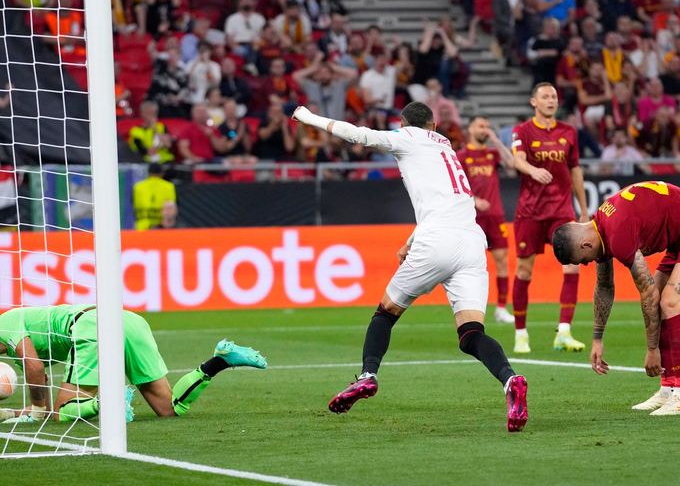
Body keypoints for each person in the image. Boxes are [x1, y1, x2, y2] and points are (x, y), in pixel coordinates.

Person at [291, 101, 528, 432]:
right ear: (434, 126)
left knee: (385, 313)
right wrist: (410, 242)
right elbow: (443, 204)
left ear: (404, 125)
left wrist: (309, 117)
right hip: (472, 243)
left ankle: (368, 375)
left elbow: (358, 135)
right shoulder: (445, 148)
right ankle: (510, 380)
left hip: (437, 241)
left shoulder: (407, 137)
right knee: (471, 333)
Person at [551, 182, 680, 415]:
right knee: (662, 301)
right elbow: (604, 285)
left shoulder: (618, 233)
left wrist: (652, 349)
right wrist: (597, 339)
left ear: (585, 245)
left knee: (670, 302)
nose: (587, 263)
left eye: (582, 260)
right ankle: (669, 389)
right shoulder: (599, 228)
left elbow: (648, 292)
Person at [0, 304, 266, 423]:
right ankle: (219, 361)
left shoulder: (5, 323)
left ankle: (109, 403)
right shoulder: (17, 344)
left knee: (63, 412)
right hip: (130, 320)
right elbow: (40, 382)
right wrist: (14, 413)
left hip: (91, 327)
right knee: (169, 408)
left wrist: (39, 411)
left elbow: (36, 372)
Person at [510, 83, 589, 355]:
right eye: (545, 96)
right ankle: (521, 334)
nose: (551, 100)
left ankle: (564, 333)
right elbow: (517, 160)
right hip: (530, 211)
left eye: (554, 96)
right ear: (534, 101)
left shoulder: (568, 132)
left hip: (561, 210)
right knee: (524, 271)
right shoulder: (522, 130)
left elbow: (575, 170)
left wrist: (583, 209)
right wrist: (533, 170)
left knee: (572, 266)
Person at [457, 116, 516, 324]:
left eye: (487, 127)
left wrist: (496, 140)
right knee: (470, 264)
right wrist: (474, 200)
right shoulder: (462, 156)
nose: (485, 130)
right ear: (471, 129)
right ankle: (468, 307)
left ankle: (501, 308)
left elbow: (512, 163)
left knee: (502, 261)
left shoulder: (492, 153)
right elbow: (456, 185)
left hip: (495, 215)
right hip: (472, 217)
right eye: (481, 126)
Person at [132, 163, 176, 231]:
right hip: (161, 229)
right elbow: (172, 209)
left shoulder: (137, 187)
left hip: (141, 228)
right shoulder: (169, 187)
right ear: (162, 174)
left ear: (148, 174)